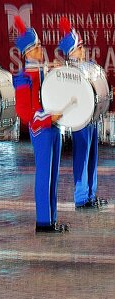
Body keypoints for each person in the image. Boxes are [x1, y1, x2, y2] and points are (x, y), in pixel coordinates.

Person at [13, 20, 68, 233]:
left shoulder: (46, 71)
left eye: (39, 46)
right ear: (27, 53)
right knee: (44, 174)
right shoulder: (24, 78)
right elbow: (24, 113)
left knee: (53, 175)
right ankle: (43, 221)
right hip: (42, 129)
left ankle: (52, 219)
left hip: (55, 128)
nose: (40, 49)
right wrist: (47, 118)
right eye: (36, 48)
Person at [57, 19, 106, 210]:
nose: (84, 49)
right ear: (72, 51)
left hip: (92, 117)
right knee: (82, 157)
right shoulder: (68, 71)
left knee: (92, 156)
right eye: (80, 46)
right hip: (80, 119)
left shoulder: (88, 66)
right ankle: (80, 196)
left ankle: (91, 194)